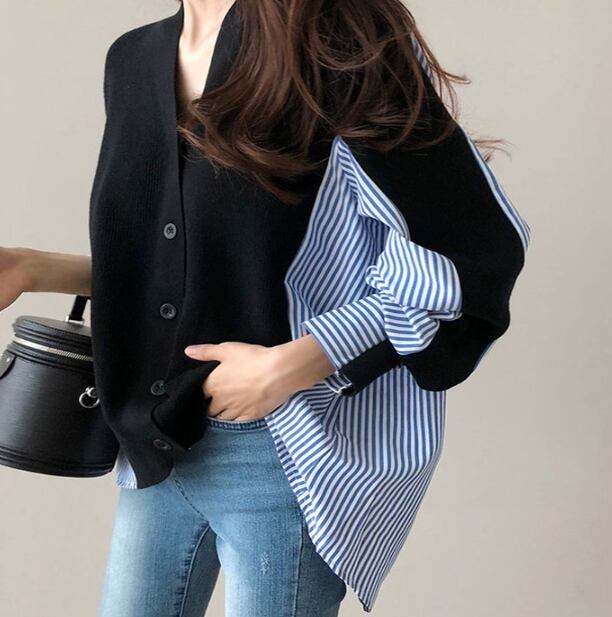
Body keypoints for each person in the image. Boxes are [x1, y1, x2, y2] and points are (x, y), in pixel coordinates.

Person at [0, 1, 531, 615]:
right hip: (160, 441)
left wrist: (295, 363)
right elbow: (185, 264)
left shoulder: (332, 37)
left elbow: (474, 251)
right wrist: (32, 268)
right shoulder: (134, 58)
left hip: (283, 448)